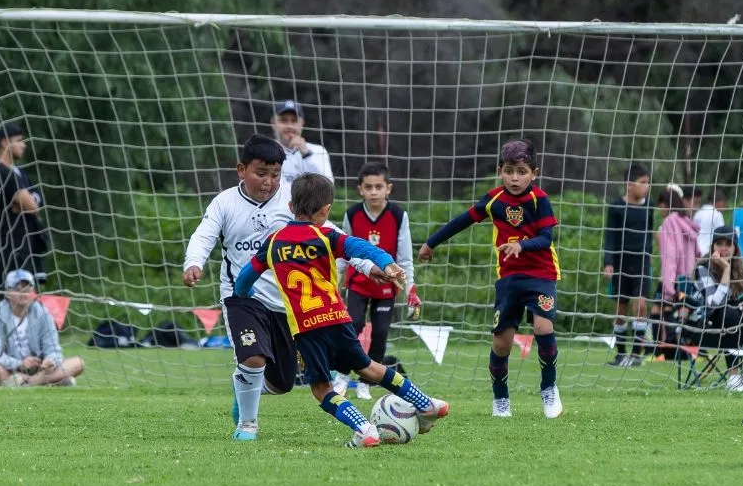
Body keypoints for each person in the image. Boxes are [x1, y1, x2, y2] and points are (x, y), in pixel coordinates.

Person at [181, 134, 377, 441]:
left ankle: (243, 388)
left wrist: (368, 266)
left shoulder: (292, 202)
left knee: (283, 382)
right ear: (241, 170)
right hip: (242, 296)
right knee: (253, 358)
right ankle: (247, 425)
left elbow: (333, 239)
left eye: (274, 175)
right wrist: (193, 262)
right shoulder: (225, 203)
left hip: (288, 303)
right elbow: (203, 235)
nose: (268, 182)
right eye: (261, 174)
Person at [232, 173, 448, 448]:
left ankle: (364, 428)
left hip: (307, 328)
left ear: (290, 207)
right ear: (326, 210)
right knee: (369, 367)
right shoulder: (326, 236)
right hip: (337, 317)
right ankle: (426, 403)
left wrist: (244, 293)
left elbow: (244, 278)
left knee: (321, 388)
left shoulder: (274, 242)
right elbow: (362, 246)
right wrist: (388, 263)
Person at [418, 139, 563, 419]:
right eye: (509, 171)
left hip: (542, 275)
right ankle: (500, 399)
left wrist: (522, 245)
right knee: (502, 344)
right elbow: (463, 220)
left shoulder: (539, 200)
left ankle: (548, 388)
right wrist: (431, 243)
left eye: (521, 171)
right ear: (500, 171)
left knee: (543, 328)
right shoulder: (494, 199)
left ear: (534, 172)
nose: (515, 177)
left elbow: (546, 238)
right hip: (509, 278)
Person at [332, 161, 421, 399]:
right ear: (360, 189)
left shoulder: (398, 215)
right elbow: (342, 251)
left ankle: (365, 383)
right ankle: (341, 375)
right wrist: (336, 281)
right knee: (354, 326)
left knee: (380, 333)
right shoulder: (352, 214)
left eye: (378, 187)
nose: (373, 192)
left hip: (386, 288)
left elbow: (405, 257)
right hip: (358, 284)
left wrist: (410, 289)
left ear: (388, 188)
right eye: (368, 187)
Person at [682, 226, 743, 390]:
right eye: (719, 244)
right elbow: (714, 304)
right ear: (712, 247)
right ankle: (734, 376)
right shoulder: (702, 269)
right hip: (704, 327)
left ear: (735, 248)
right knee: (728, 313)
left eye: (728, 244)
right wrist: (726, 270)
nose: (724, 248)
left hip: (739, 325)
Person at [0, 269, 84, 386]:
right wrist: (20, 364)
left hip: (39, 369)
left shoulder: (43, 313)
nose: (24, 293)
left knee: (78, 363)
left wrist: (50, 361)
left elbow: (53, 349)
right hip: (8, 369)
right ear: (7, 293)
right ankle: (45, 382)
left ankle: (27, 383)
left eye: (28, 289)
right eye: (18, 289)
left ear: (33, 291)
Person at [603, 163, 654, 367]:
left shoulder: (649, 206)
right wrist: (608, 262)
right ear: (629, 185)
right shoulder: (616, 206)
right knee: (620, 309)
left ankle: (636, 353)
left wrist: (648, 255)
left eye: (648, 183)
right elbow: (610, 237)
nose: (646, 187)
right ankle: (621, 353)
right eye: (642, 183)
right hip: (620, 263)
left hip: (641, 262)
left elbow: (649, 235)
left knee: (641, 305)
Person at [0, 121, 49, 287]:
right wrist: (28, 202)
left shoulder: (19, 173)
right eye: (19, 140)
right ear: (4, 142)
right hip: (9, 249)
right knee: (13, 298)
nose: (24, 145)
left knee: (28, 300)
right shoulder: (0, 172)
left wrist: (27, 201)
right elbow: (32, 206)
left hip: (27, 246)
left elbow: (36, 200)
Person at [650, 187, 699, 355]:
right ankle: (676, 350)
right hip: (688, 276)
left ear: (665, 205)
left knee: (662, 310)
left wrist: (668, 284)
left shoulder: (669, 222)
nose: (659, 209)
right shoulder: (685, 220)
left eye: (660, 205)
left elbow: (671, 254)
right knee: (675, 311)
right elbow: (697, 251)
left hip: (672, 276)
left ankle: (664, 352)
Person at [270, 99, 334, 185]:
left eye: (294, 121)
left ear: (302, 123)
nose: (289, 126)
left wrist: (306, 154)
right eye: (284, 120)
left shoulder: (318, 151)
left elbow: (328, 186)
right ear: (273, 123)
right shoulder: (264, 150)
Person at [694, 190, 727, 256]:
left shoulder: (698, 213)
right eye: (724, 203)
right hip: (708, 252)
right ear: (719, 202)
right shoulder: (717, 214)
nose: (724, 206)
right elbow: (722, 234)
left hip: (695, 250)